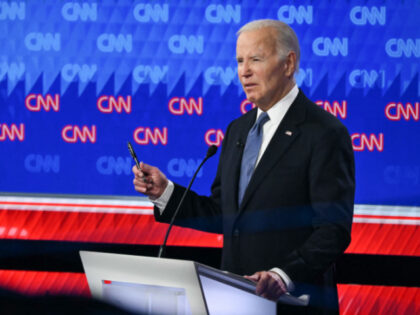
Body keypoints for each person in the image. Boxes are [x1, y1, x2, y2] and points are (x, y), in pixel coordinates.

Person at [132, 19, 355, 314]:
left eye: (255, 59)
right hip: (235, 301)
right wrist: (166, 193)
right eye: (239, 61)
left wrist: (283, 275)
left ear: (288, 64)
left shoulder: (324, 133)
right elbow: (224, 215)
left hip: (293, 304)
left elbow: (333, 230)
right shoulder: (238, 130)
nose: (244, 71)